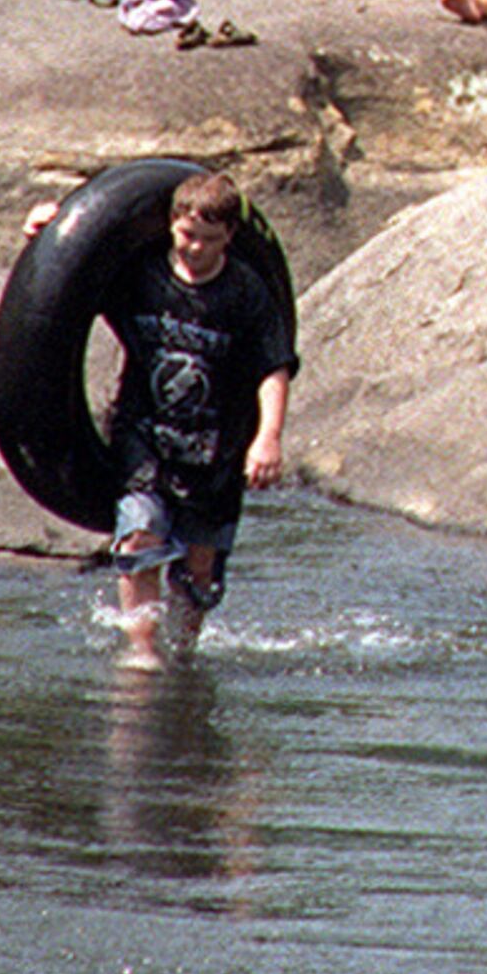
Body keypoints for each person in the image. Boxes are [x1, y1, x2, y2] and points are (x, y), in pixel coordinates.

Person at [29, 169, 297, 662]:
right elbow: (68, 281)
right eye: (187, 235)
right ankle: (143, 653)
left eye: (209, 239)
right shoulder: (140, 276)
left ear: (230, 237)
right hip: (144, 433)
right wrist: (51, 225)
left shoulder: (247, 293)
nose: (195, 247)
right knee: (138, 539)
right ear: (172, 224)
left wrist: (268, 438)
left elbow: (273, 369)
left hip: (216, 443)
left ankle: (183, 650)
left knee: (200, 569)